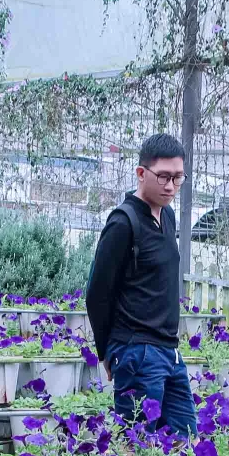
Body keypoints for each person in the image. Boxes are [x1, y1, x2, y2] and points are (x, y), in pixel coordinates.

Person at [85, 133, 197, 436]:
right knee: (139, 447)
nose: (170, 186)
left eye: (177, 177)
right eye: (162, 176)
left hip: (169, 352)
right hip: (136, 351)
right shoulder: (123, 223)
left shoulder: (168, 217)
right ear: (141, 173)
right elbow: (97, 293)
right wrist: (106, 351)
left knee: (184, 442)